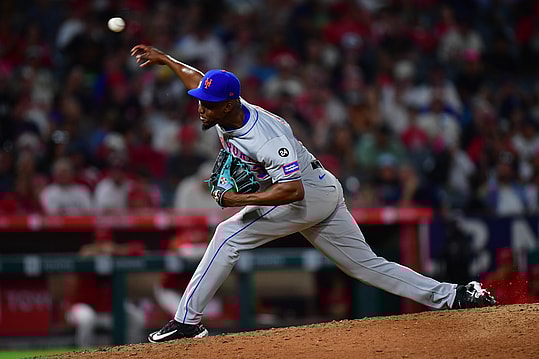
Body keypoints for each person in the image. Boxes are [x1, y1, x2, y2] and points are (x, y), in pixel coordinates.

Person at [130, 44, 497, 343]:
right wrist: (165, 59)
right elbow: (198, 79)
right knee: (365, 265)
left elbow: (292, 189)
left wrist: (236, 201)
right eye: (199, 100)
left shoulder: (266, 139)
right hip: (322, 189)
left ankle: (187, 322)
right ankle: (456, 295)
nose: (200, 108)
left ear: (228, 104)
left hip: (306, 196)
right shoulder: (225, 107)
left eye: (207, 104)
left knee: (228, 234)